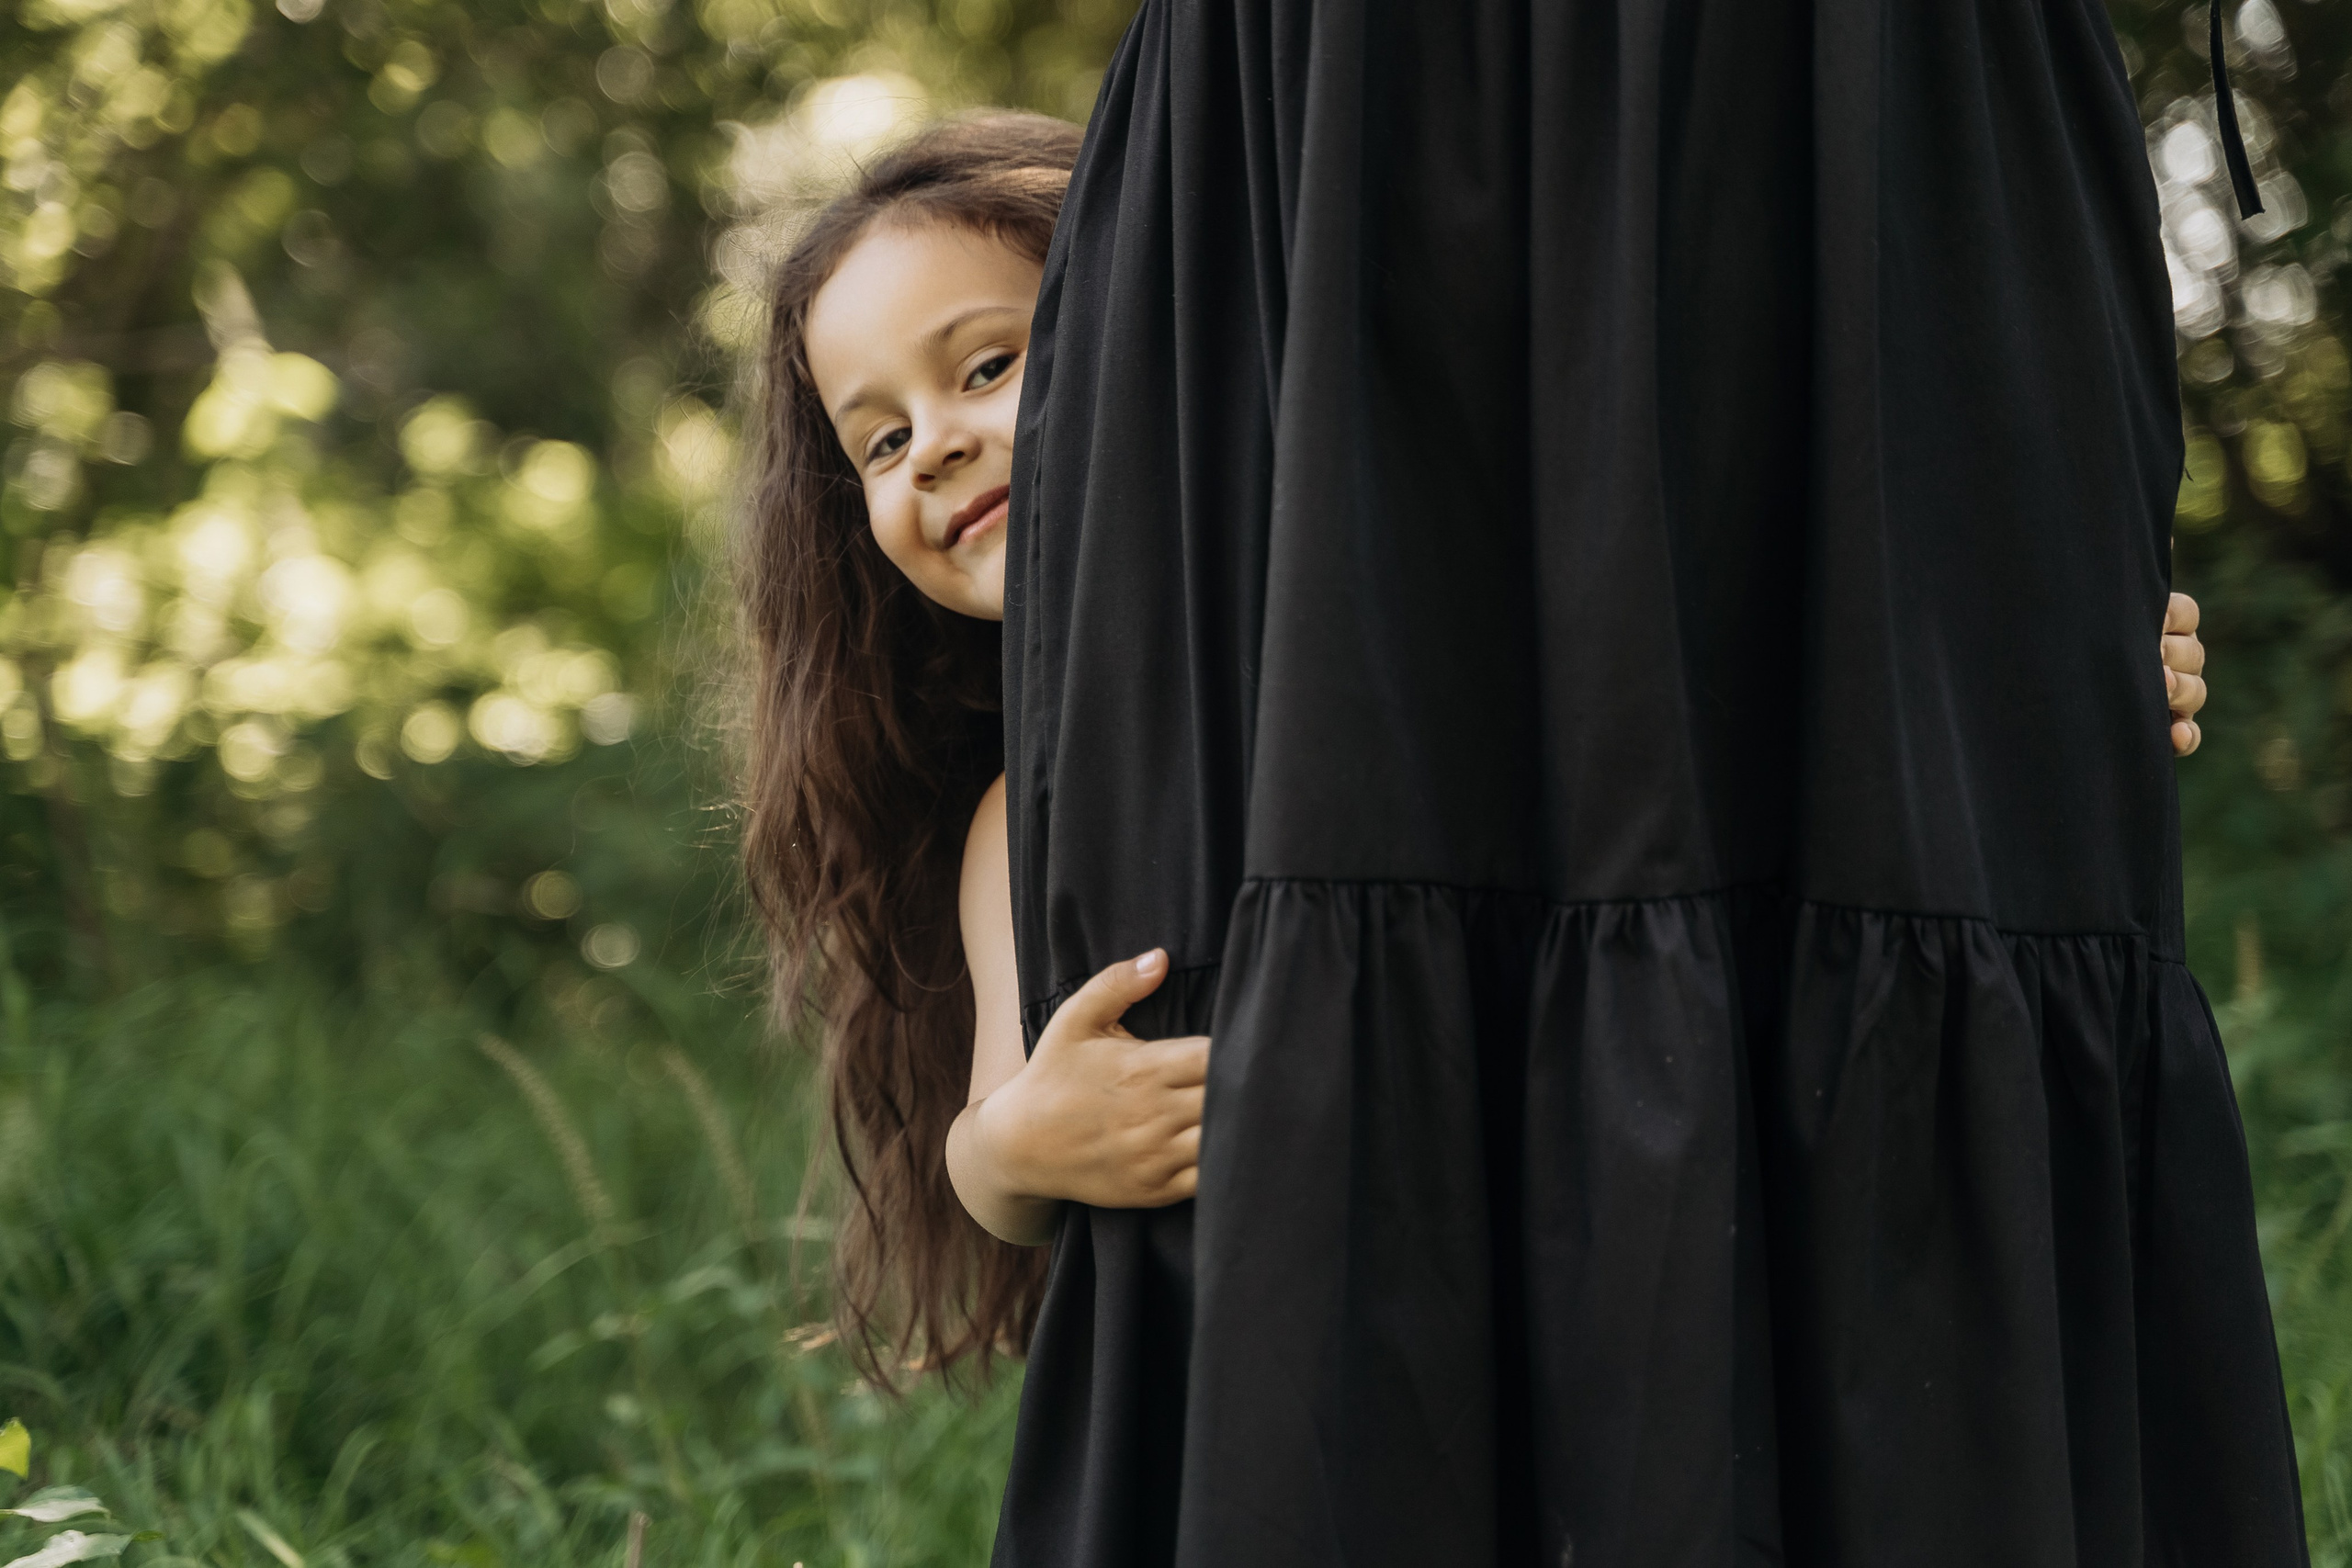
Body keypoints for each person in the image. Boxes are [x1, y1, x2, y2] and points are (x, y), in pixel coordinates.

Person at [734, 111, 2216, 1402]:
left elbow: (1775, 701)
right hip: (1346, 1348)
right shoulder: (1028, 816)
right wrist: (1024, 1147)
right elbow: (991, 1141)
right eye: (875, 441)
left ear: (1183, 363)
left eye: (989, 366)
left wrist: (2052, 690)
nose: (930, 445)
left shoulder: (1431, 639)